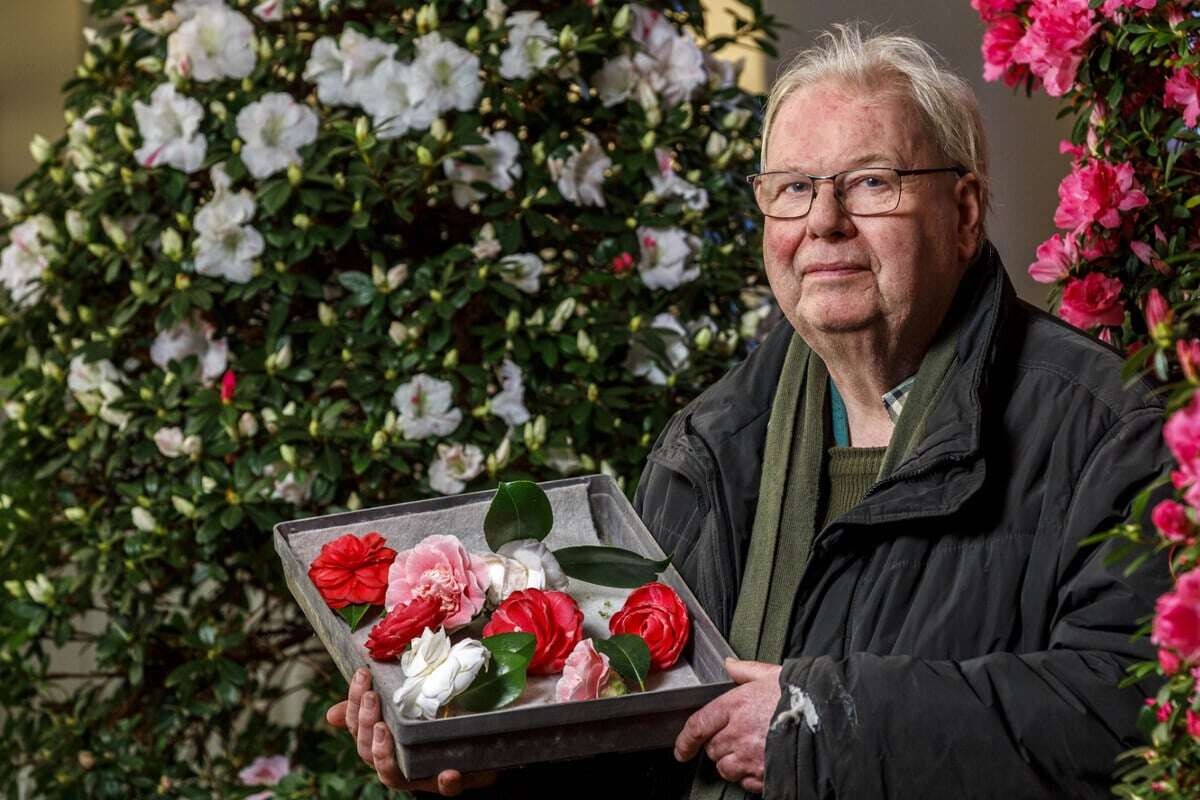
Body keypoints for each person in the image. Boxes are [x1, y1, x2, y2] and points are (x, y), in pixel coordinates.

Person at [327, 25, 1172, 799]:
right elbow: (658, 744)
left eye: (872, 183)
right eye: (794, 189)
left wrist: (824, 725)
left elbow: (1129, 719)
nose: (825, 223)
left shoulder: (1107, 430)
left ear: (965, 211)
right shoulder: (710, 444)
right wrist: (492, 762)